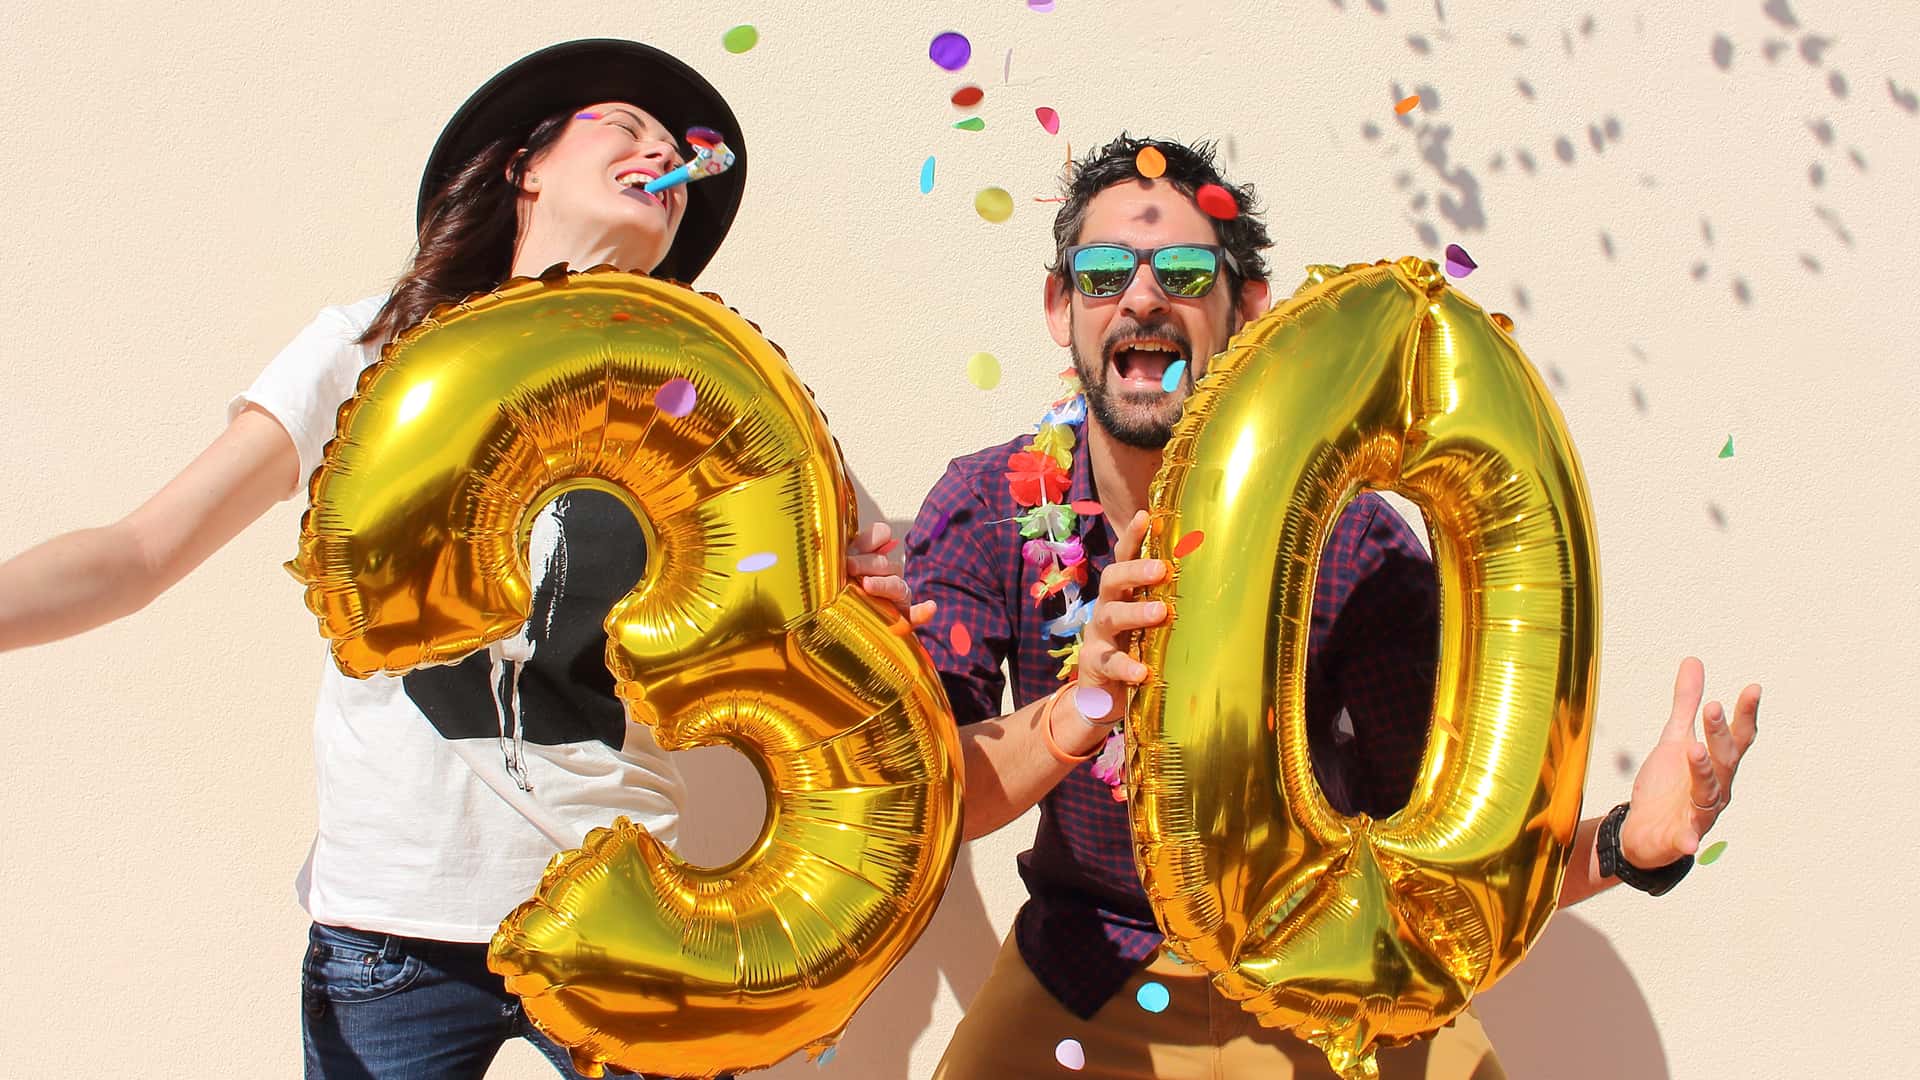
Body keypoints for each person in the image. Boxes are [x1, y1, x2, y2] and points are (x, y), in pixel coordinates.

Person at [0, 39, 921, 1080]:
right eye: (624, 126)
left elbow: (842, 619)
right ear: (524, 166)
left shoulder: (711, 402)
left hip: (634, 922)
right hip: (394, 929)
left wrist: (869, 597)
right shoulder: (371, 350)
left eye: (676, 151)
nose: (661, 153)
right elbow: (136, 552)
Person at [905, 134, 1761, 1079]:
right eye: (1104, 272)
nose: (1142, 297)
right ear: (1062, 305)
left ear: (1250, 313)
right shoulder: (988, 508)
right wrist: (1079, 709)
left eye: (1186, 271)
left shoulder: (1357, 545)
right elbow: (931, 797)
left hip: (1330, 980)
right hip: (1090, 967)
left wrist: (1627, 850)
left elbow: (1450, 851)